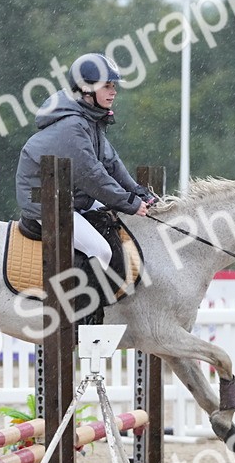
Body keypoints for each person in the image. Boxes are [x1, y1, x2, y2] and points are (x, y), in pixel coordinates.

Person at [15, 52, 155, 323]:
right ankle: (82, 319)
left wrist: (138, 191)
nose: (114, 91)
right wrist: (130, 203)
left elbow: (111, 163)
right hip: (48, 204)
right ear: (87, 89)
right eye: (107, 85)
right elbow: (93, 176)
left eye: (114, 85)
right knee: (100, 250)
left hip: (72, 198)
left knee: (118, 222)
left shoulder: (90, 119)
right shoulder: (73, 126)